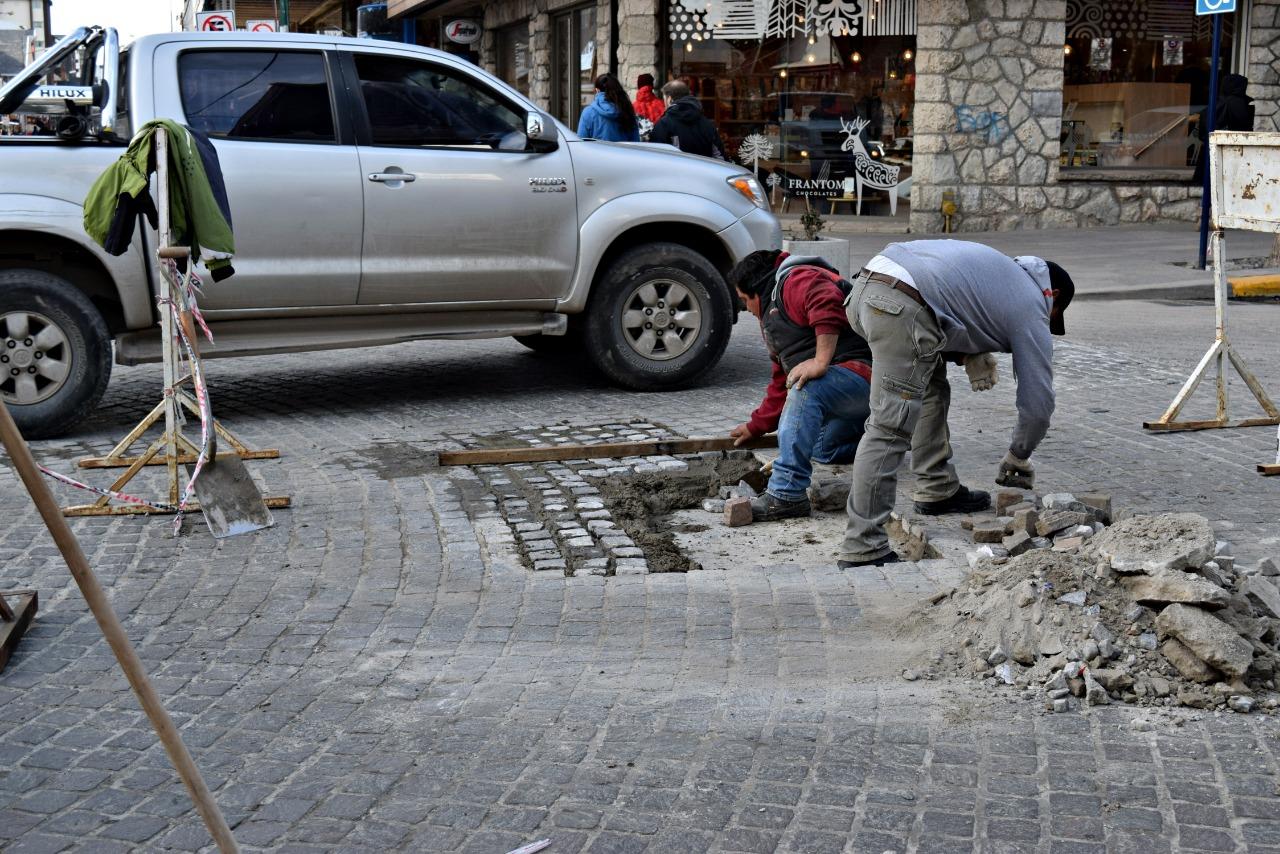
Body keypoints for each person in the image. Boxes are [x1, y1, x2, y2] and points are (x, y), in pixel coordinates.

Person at [839, 240, 1075, 568]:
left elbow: (948, 303)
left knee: (931, 385)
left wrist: (965, 353)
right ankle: (862, 545)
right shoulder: (1030, 300)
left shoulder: (998, 272)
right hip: (900, 304)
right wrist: (1018, 454)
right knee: (890, 426)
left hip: (868, 288)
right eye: (1053, 318)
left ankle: (936, 488)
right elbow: (1038, 404)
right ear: (1055, 296)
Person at [727, 250, 873, 522]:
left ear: (757, 291)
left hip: (864, 377)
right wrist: (755, 426)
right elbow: (781, 380)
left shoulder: (795, 280)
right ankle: (888, 436)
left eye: (745, 300)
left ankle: (786, 494)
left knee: (807, 388)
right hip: (848, 396)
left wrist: (820, 361)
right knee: (820, 448)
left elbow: (826, 300)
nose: (746, 308)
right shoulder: (773, 317)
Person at [1193, 72, 1254, 183]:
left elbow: (1203, 131)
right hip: (1229, 153)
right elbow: (1244, 130)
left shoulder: (1218, 102)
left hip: (1212, 151)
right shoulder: (1237, 104)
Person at [650, 80, 726, 160]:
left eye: (664, 99)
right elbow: (720, 158)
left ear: (669, 99)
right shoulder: (707, 124)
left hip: (676, 171)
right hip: (704, 171)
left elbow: (655, 158)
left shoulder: (664, 124)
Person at [577, 73, 640, 142]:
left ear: (597, 90)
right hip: (623, 152)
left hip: (596, 152)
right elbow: (635, 142)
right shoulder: (627, 109)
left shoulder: (588, 112)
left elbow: (581, 142)